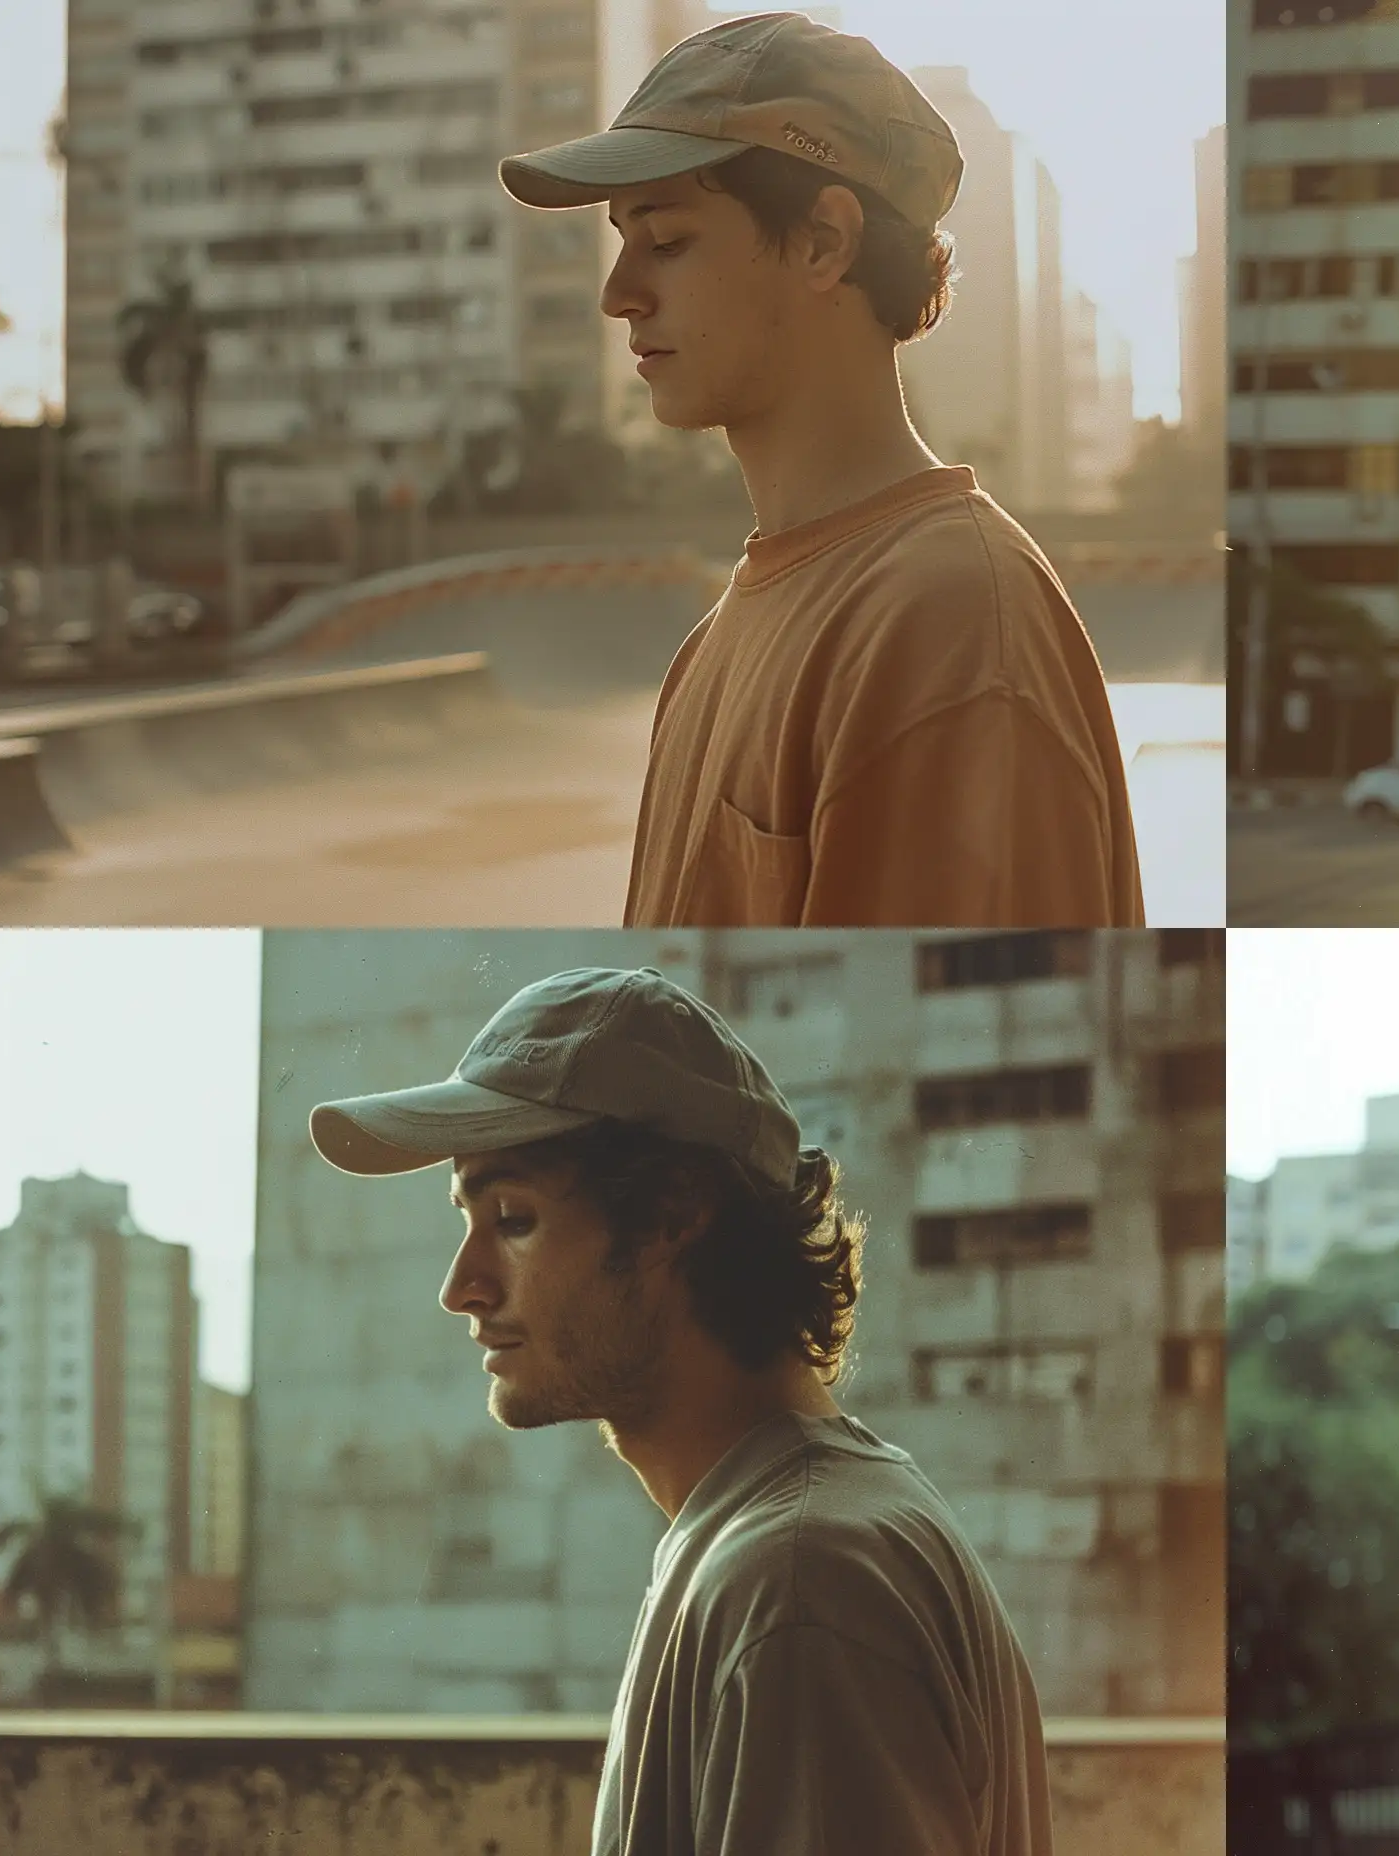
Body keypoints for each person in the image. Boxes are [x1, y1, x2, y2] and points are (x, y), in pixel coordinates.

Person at [310, 966, 1053, 1856]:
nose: (460, 1288)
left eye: (513, 1217)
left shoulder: (796, 1585)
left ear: (671, 1215)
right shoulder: (786, 1539)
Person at [498, 12, 1145, 929]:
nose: (619, 294)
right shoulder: (718, 642)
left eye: (668, 240)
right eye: (621, 241)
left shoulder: (948, 624)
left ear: (823, 242)